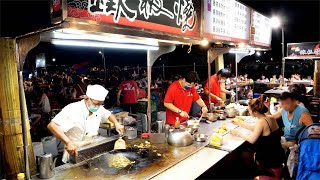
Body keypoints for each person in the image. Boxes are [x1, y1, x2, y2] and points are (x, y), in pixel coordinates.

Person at [47, 85, 124, 162]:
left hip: (91, 148)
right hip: (74, 149)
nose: (98, 106)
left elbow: (108, 114)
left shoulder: (99, 108)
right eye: (96, 103)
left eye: (100, 104)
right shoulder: (72, 108)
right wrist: (68, 142)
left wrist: (116, 123)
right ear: (86, 98)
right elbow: (52, 125)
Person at [231, 95, 285, 179]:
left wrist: (238, 133)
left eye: (249, 110)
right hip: (278, 156)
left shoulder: (261, 122)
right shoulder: (269, 118)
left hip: (269, 161)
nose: (249, 112)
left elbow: (252, 140)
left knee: (243, 155)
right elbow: (256, 129)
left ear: (255, 112)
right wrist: (239, 124)